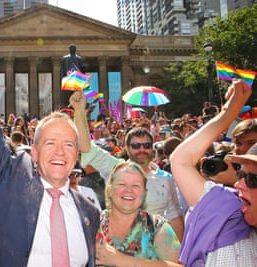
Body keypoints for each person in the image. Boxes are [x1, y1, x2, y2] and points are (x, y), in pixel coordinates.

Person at [0, 12, 100, 267]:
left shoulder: (90, 211)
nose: (60, 151)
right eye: (50, 143)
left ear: (76, 155)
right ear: (33, 152)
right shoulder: (10, 180)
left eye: (69, 144)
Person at [70, 90, 185, 242]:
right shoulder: (115, 168)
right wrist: (79, 112)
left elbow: (174, 217)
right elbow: (85, 147)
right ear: (127, 148)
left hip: (153, 251)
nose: (141, 149)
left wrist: (179, 256)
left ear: (152, 147)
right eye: (136, 145)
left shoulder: (166, 179)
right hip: (118, 248)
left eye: (146, 145)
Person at [170, 79, 257, 266]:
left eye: (251, 179)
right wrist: (228, 113)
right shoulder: (228, 210)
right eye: (241, 175)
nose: (239, 183)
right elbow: (181, 161)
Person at [95, 161, 181, 266]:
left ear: (145, 193)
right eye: (122, 184)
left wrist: (121, 260)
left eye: (135, 186)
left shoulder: (156, 227)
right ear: (109, 190)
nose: (129, 190)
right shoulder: (93, 223)